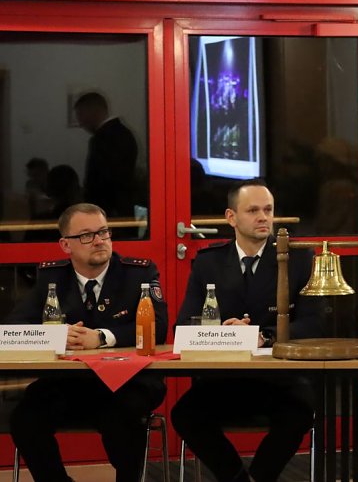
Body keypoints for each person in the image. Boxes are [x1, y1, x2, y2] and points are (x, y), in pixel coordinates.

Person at [6, 203, 168, 482]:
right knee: (24, 419)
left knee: (124, 418)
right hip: (68, 383)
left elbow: (158, 329)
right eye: (86, 235)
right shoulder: (51, 277)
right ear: (65, 245)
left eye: (103, 232)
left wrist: (103, 337)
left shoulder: (138, 273)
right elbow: (11, 329)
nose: (98, 241)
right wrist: (55, 336)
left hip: (126, 382)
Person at [171, 179, 320, 482]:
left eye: (268, 210)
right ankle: (237, 478)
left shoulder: (298, 259)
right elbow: (183, 325)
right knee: (184, 415)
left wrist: (264, 335)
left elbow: (315, 323)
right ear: (231, 217)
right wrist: (222, 332)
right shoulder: (208, 262)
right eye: (253, 210)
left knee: (301, 412)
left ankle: (260, 477)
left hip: (279, 380)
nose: (263, 217)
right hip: (223, 378)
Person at [74, 92, 138, 219]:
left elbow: (103, 182)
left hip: (109, 212)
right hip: (121, 208)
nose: (80, 122)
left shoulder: (104, 139)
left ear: (94, 111)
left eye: (81, 115)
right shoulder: (122, 133)